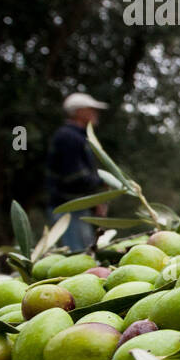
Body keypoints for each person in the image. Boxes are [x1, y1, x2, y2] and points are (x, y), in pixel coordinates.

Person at [46, 92, 108, 251]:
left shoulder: (77, 137)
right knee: (77, 254)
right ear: (79, 111)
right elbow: (74, 177)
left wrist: (95, 202)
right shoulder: (68, 137)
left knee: (83, 253)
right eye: (91, 109)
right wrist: (103, 182)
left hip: (76, 207)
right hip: (68, 208)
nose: (96, 113)